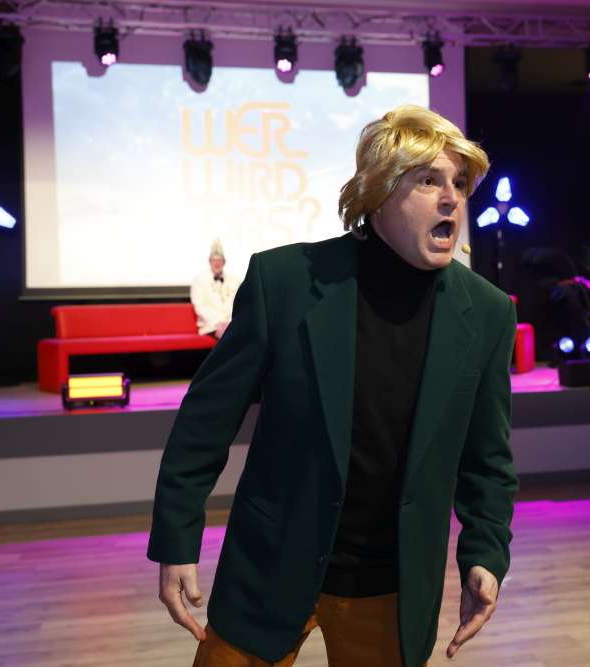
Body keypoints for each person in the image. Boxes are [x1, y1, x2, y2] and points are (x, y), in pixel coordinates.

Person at [148, 105, 518, 667]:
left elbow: (488, 458)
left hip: (391, 587)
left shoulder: (487, 313)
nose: (452, 199)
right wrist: (177, 540)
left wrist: (485, 554)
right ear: (378, 192)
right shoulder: (284, 283)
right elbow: (205, 422)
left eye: (460, 183)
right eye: (428, 180)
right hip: (270, 567)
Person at [189, 239, 240, 338]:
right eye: (214, 260)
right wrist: (219, 322)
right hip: (211, 325)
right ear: (209, 262)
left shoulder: (234, 281)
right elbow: (200, 307)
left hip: (231, 323)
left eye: (219, 260)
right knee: (228, 335)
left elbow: (237, 304)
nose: (217, 263)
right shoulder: (199, 281)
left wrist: (229, 322)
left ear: (224, 262)